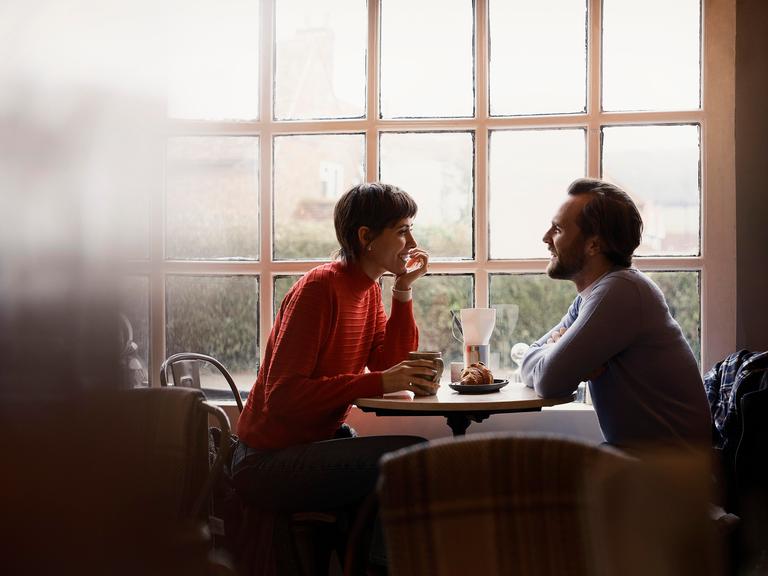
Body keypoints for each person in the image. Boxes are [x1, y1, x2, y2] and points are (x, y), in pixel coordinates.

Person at [232, 182, 438, 568]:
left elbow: (386, 363)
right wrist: (379, 382)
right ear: (366, 237)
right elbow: (283, 396)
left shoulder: (369, 290)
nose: (412, 242)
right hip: (264, 462)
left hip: (312, 444)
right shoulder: (320, 288)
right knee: (409, 457)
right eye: (402, 230)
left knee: (403, 462)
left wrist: (403, 291)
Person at [521, 178, 711, 452]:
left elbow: (548, 381)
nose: (546, 237)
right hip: (638, 462)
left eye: (559, 229)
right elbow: (530, 363)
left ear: (594, 245)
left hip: (673, 471)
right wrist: (555, 351)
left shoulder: (620, 291)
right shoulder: (590, 297)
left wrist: (554, 353)